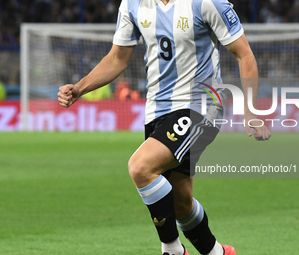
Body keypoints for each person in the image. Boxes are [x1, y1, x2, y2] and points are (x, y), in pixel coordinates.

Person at [58, 0, 271, 254]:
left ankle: (171, 249)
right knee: (181, 203)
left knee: (141, 167)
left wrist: (251, 111)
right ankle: (218, 253)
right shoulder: (132, 4)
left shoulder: (207, 3)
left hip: (201, 106)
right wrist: (79, 88)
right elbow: (117, 58)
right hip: (156, 111)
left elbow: (243, 53)